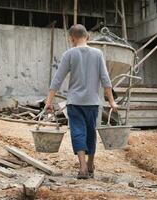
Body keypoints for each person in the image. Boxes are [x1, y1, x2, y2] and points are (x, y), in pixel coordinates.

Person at [45, 24, 118, 179]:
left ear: (72, 38)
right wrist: (112, 102)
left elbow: (57, 80)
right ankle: (91, 164)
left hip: (74, 102)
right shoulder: (98, 54)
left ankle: (83, 167)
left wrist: (48, 101)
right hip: (92, 103)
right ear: (88, 37)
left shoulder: (69, 54)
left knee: (78, 132)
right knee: (91, 133)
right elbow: (106, 80)